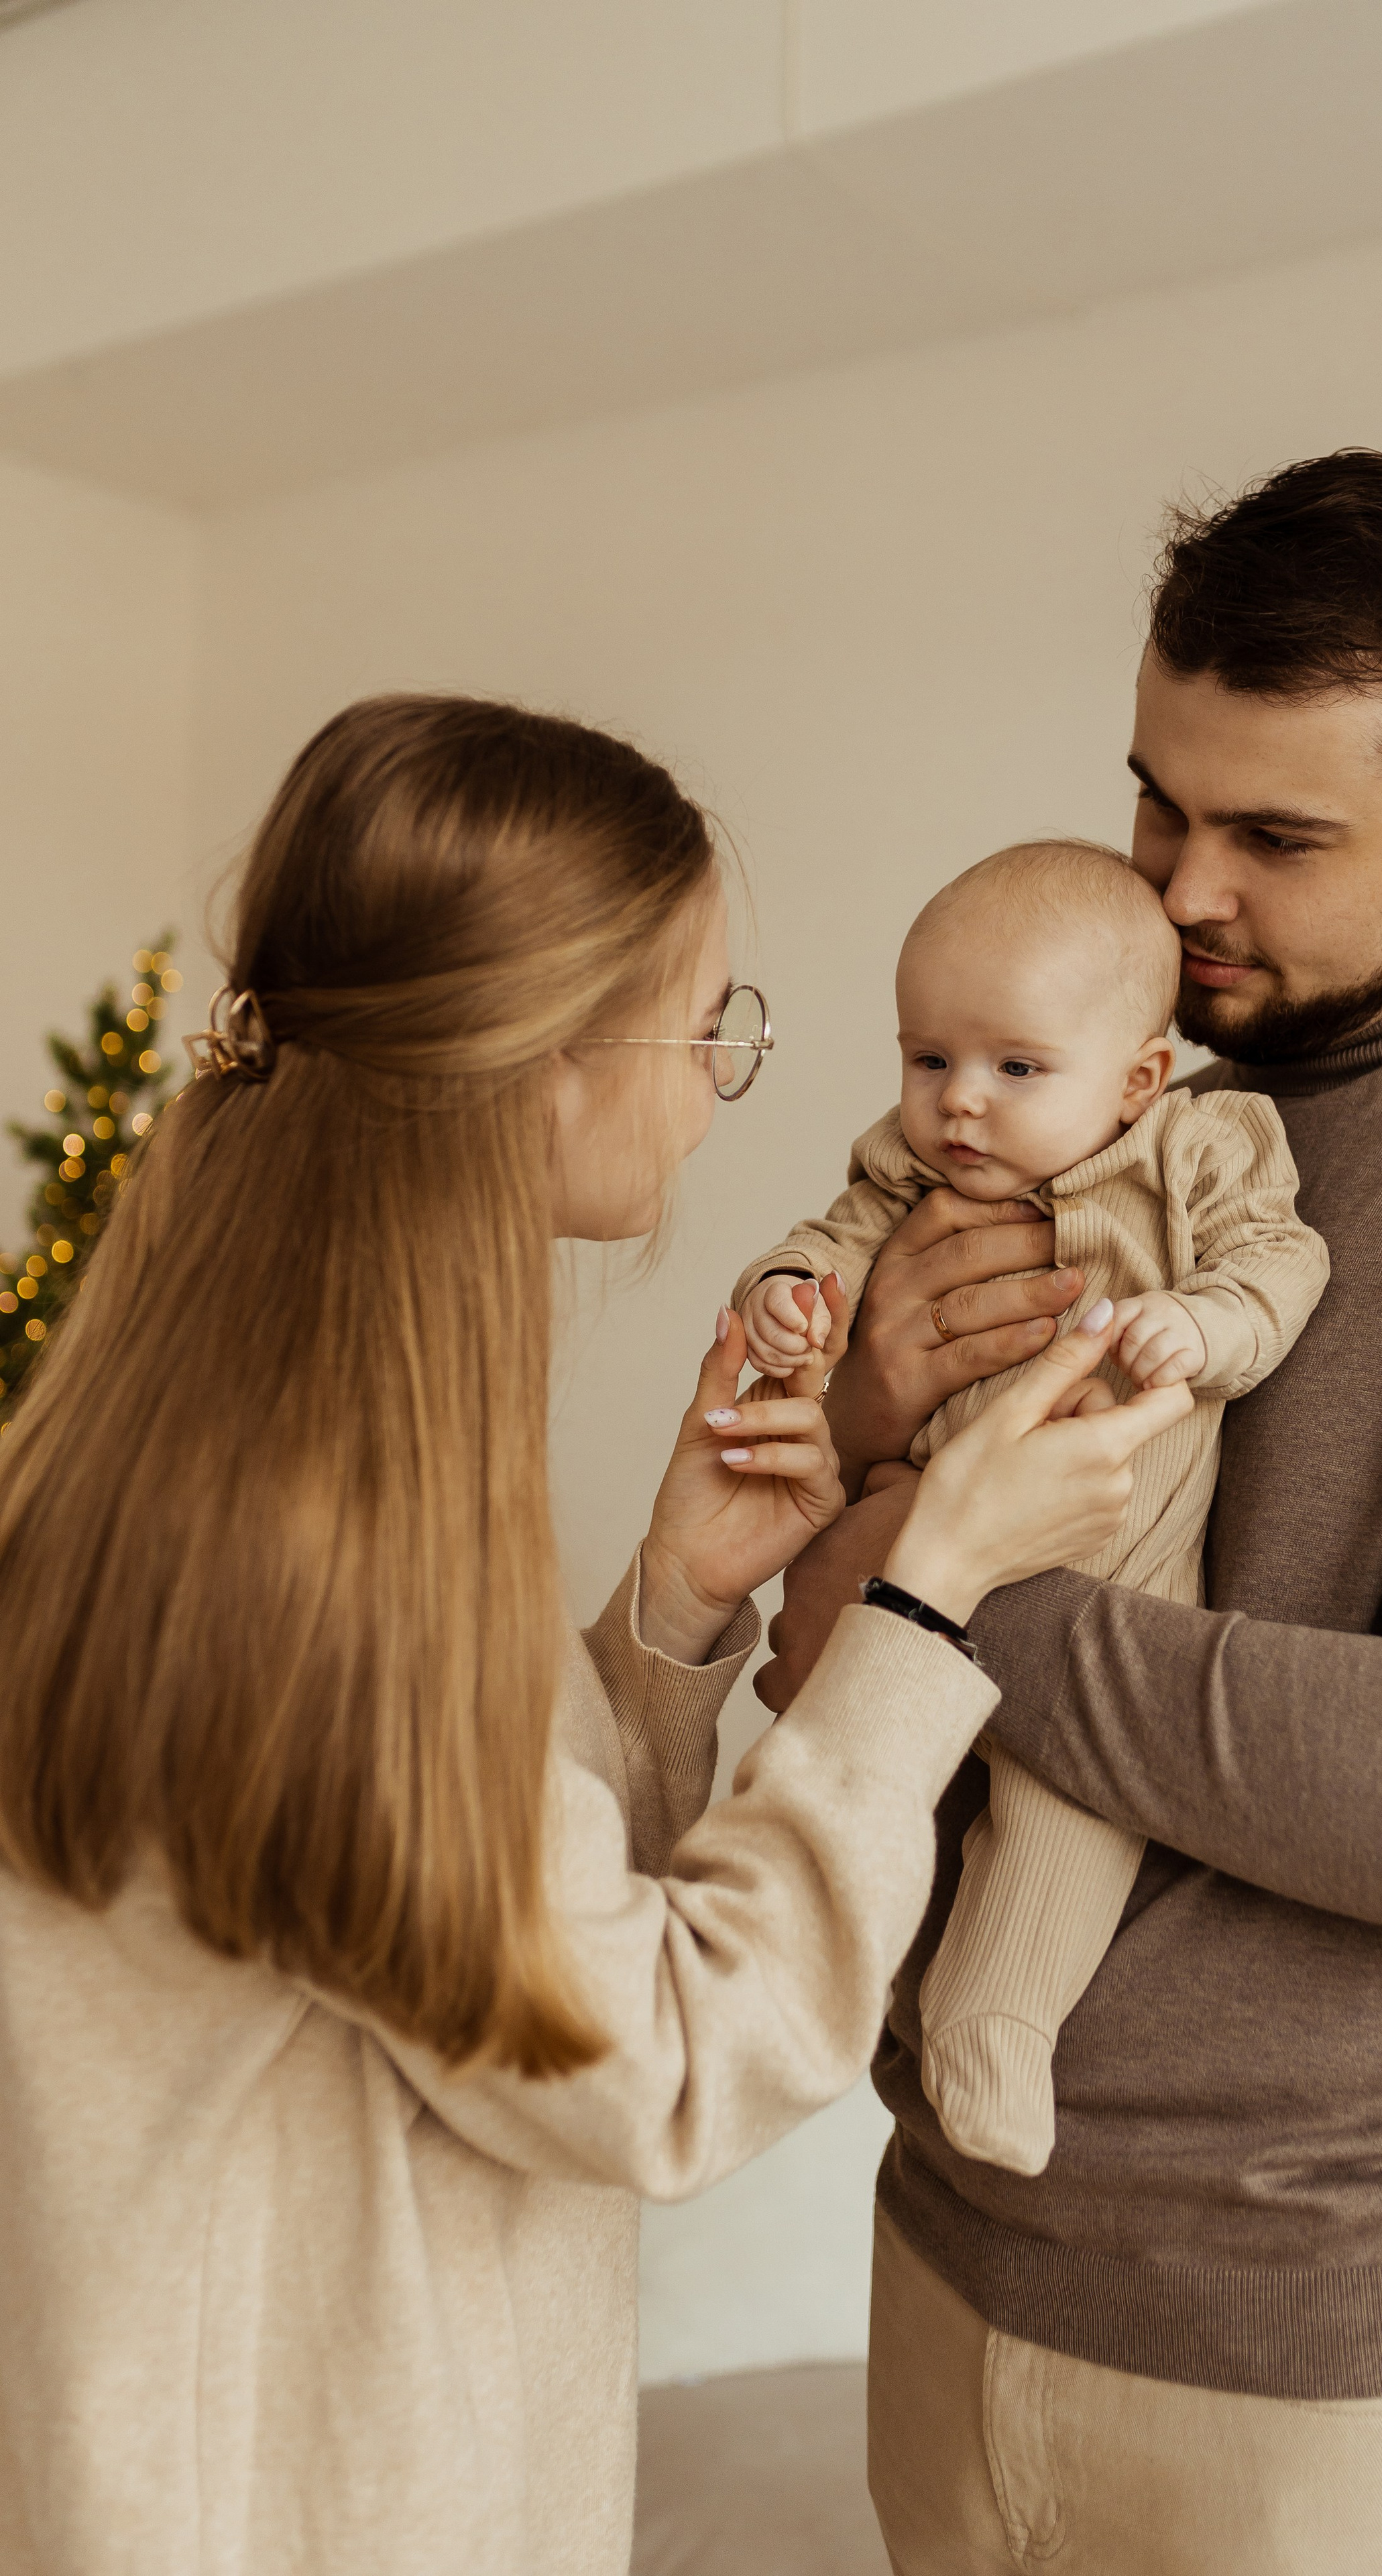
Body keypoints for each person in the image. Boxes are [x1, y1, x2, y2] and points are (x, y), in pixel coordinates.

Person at [0, 695, 1192, 2575]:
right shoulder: (315, 1520)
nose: (723, 1076)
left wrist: (671, 1607)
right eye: (713, 1018)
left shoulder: (255, 1429)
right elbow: (663, 2056)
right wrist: (921, 1596)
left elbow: (443, 1922)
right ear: (560, 1056)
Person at [758, 453, 1382, 2573]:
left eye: (1276, 835)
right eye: (1156, 803)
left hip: (1337, 2384)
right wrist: (858, 1417)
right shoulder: (1046, 1087)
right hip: (940, 2252)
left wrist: (928, 1585)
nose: (1180, 894)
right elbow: (804, 1656)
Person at [732, 839, 1325, 2176]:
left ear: (1137, 1076)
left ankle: (993, 2020)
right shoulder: (907, 1171)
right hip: (916, 1557)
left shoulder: (1201, 1146)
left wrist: (1200, 1320)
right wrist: (789, 1288)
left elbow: (1281, 1261)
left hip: (1111, 1565)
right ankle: (800, 1979)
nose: (960, 1105)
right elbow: (830, 1238)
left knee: (1062, 1819)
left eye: (1014, 1067)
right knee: (839, 1787)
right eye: (928, 1058)